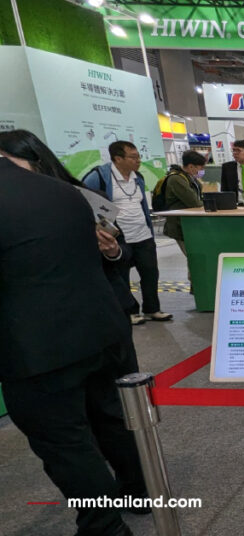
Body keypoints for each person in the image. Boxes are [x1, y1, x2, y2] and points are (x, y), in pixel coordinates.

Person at [1, 154, 146, 536]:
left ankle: (105, 526)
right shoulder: (64, 191)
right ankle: (139, 491)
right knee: (111, 418)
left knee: (66, 444)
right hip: (100, 328)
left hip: (36, 347)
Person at [0, 130, 139, 326]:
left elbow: (124, 251)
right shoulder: (9, 210)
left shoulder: (84, 199)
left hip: (100, 308)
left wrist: (112, 251)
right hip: (41, 317)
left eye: (9, 165)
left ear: (37, 161)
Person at [83, 141, 172, 325]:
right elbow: (85, 199)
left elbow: (142, 204)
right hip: (119, 239)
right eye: (133, 157)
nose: (138, 160)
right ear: (118, 158)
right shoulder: (99, 177)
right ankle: (129, 311)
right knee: (121, 276)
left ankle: (152, 309)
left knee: (150, 273)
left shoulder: (137, 177)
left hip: (143, 235)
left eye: (138, 156)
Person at [155, 150, 205, 287]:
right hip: (180, 226)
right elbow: (194, 202)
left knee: (194, 256)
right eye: (200, 168)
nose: (201, 171)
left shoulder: (188, 177)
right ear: (191, 166)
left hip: (190, 225)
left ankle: (197, 286)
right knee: (194, 256)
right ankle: (198, 286)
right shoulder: (176, 179)